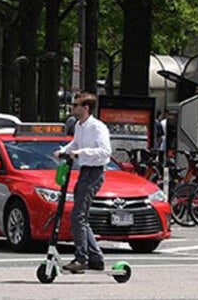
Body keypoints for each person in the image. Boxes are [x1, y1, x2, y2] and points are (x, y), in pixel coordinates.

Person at [53, 92, 111, 272]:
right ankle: (96, 258)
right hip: (84, 171)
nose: (72, 108)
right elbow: (75, 144)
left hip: (95, 172)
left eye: (76, 105)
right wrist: (63, 150)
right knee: (81, 218)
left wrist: (81, 153)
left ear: (85, 108)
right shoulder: (79, 125)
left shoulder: (97, 127)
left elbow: (105, 151)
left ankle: (81, 258)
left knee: (78, 216)